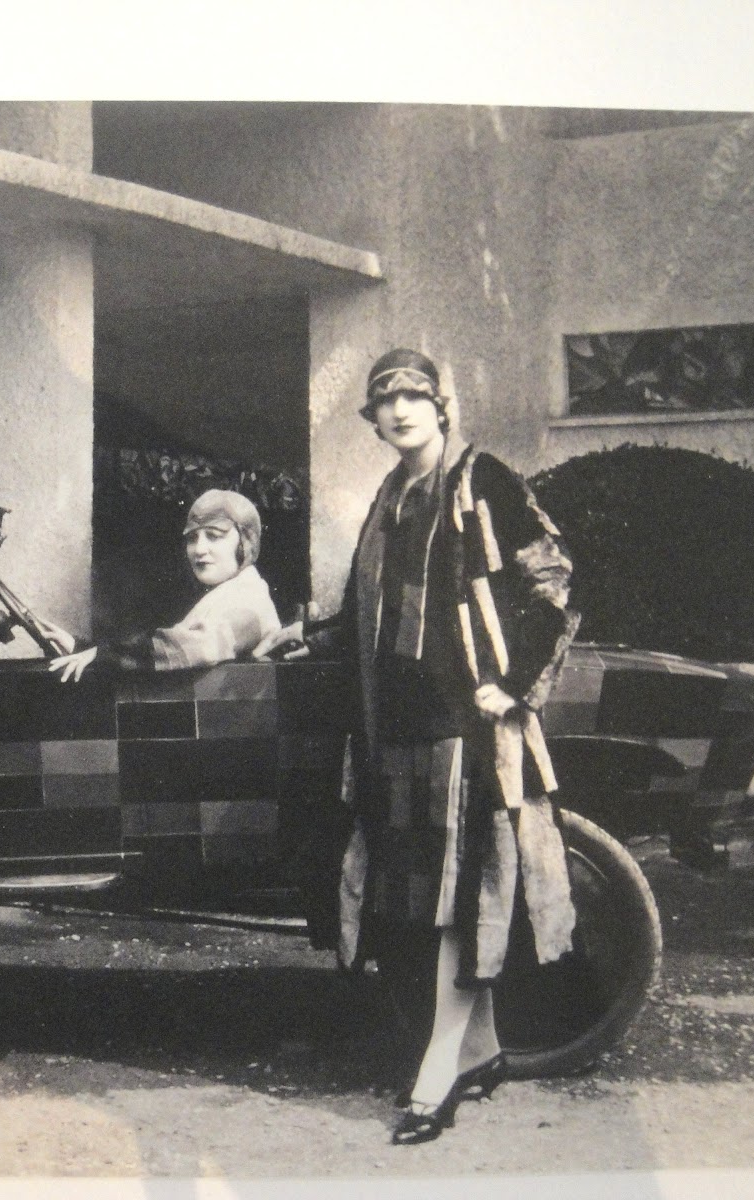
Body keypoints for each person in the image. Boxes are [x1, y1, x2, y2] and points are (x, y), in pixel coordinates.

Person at [255, 348, 580, 1145]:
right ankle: (483, 1050)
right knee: (424, 905)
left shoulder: (482, 481)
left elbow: (555, 582)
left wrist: (515, 682)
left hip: (463, 731)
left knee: (458, 901)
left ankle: (438, 1073)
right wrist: (308, 635)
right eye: (385, 401)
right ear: (373, 419)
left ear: (441, 406)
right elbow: (370, 611)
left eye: (413, 397)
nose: (399, 411)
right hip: (394, 731)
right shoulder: (391, 495)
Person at [48, 488, 282, 681]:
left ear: (246, 542)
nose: (199, 549)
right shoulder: (231, 592)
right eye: (192, 538)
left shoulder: (249, 602)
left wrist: (101, 655)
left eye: (214, 536)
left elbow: (191, 649)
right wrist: (82, 649)